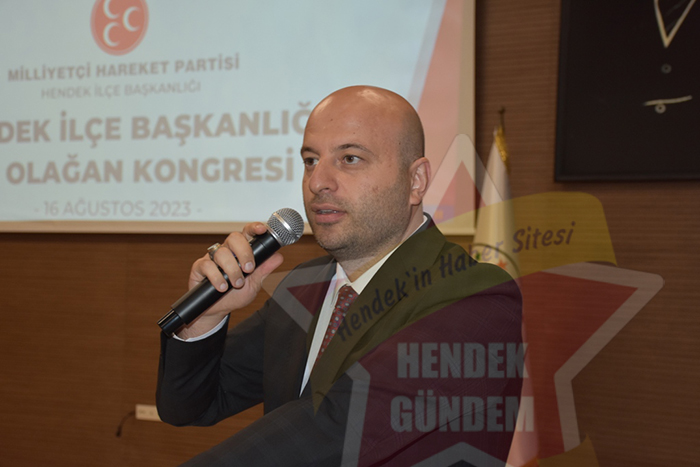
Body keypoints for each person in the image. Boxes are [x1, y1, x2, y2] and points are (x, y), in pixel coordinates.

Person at [157, 86, 523, 466]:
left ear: (415, 180)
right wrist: (205, 319)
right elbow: (188, 406)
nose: (318, 182)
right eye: (310, 160)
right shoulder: (303, 287)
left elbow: (334, 428)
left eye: (350, 158)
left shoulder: (475, 298)